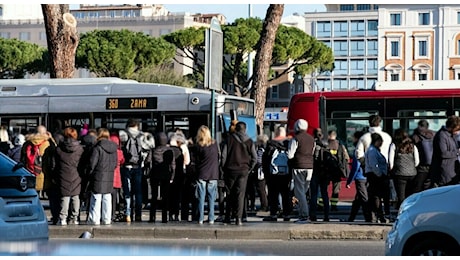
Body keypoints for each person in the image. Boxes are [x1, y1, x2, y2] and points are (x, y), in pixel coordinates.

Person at [355, 115, 393, 217]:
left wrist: (365, 164)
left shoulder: (364, 137)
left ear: (369, 123)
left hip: (371, 171)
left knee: (374, 194)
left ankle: (376, 214)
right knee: (385, 194)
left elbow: (358, 154)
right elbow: (391, 154)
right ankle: (386, 213)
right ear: (380, 123)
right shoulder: (387, 137)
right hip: (385, 169)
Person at [221, 121, 257, 226]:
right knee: (240, 195)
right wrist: (249, 168)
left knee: (229, 193)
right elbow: (254, 158)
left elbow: (223, 156)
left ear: (236, 129)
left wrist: (223, 168)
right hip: (243, 170)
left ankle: (227, 216)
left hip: (230, 170)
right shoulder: (249, 141)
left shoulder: (229, 139)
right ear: (245, 129)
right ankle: (239, 218)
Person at [52, 127, 84, 226]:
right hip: (76, 175)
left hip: (63, 174)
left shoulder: (59, 149)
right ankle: (74, 218)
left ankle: (62, 218)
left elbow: (53, 165)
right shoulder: (80, 149)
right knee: (75, 197)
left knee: (64, 197)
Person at [86, 128, 118, 225]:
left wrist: (90, 173)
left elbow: (92, 163)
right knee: (107, 198)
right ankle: (107, 219)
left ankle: (94, 219)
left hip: (98, 175)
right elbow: (115, 164)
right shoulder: (114, 148)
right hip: (109, 175)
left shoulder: (97, 147)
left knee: (96, 198)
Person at [287, 119, 315, 223]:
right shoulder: (312, 139)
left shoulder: (296, 138)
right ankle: (305, 212)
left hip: (298, 166)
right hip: (310, 167)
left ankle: (304, 215)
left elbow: (290, 155)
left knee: (299, 192)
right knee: (305, 190)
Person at [262, 126, 292, 222]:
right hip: (286, 174)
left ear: (276, 133)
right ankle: (286, 214)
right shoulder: (288, 143)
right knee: (286, 194)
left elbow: (265, 160)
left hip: (273, 175)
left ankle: (274, 214)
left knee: (273, 194)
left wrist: (266, 174)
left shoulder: (270, 144)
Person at [120, 118, 145, 222]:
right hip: (138, 167)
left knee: (127, 192)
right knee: (138, 192)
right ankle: (138, 214)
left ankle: (128, 214)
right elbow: (146, 151)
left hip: (126, 167)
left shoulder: (123, 134)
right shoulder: (142, 135)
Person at [194, 125, 220, 224]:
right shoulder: (214, 144)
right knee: (211, 198)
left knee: (201, 198)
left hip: (202, 174)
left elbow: (197, 161)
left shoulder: (199, 146)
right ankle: (211, 218)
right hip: (213, 174)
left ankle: (200, 218)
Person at [389, 128, 419, 210]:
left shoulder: (394, 145)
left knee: (401, 196)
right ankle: (410, 211)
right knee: (409, 195)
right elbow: (417, 161)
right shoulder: (412, 145)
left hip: (399, 174)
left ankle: (401, 212)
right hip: (412, 174)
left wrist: (391, 170)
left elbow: (390, 162)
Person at [149, 132, 175, 223]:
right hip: (166, 175)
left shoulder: (153, 150)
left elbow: (148, 162)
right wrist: (172, 176)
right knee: (165, 196)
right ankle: (164, 217)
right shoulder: (170, 151)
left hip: (155, 174)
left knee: (154, 196)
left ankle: (152, 217)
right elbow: (173, 165)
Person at [21, 125, 55, 198]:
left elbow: (22, 159)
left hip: (30, 173)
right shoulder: (47, 144)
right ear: (45, 133)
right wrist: (51, 138)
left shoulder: (27, 144)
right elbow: (55, 153)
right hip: (44, 174)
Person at [345, 130, 370, 222]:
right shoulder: (368, 149)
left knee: (363, 198)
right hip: (366, 176)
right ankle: (351, 218)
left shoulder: (358, 150)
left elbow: (355, 167)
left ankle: (369, 218)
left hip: (360, 177)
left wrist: (349, 181)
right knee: (358, 200)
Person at [364, 133, 389, 223]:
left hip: (376, 176)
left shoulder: (375, 150)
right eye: (380, 141)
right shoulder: (372, 151)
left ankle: (375, 215)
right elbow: (374, 165)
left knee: (375, 196)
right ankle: (376, 215)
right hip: (375, 176)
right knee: (376, 197)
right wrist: (380, 174)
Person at [430, 115, 460, 187]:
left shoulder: (451, 135)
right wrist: (457, 152)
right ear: (452, 127)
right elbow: (443, 153)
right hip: (445, 171)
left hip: (452, 170)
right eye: (457, 129)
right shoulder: (442, 135)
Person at [309, 127, 330, 222]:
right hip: (325, 172)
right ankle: (326, 215)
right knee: (324, 194)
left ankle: (313, 215)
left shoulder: (312, 145)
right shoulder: (326, 144)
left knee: (314, 194)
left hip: (315, 171)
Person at [325, 130, 349, 212]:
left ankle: (322, 205)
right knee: (336, 190)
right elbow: (347, 158)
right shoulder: (340, 145)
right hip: (337, 170)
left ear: (329, 136)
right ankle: (334, 206)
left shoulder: (325, 145)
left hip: (326, 170)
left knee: (324, 188)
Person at [411, 119, 435, 192]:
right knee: (429, 187)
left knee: (418, 187)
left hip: (421, 166)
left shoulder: (415, 137)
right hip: (433, 165)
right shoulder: (434, 135)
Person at [168, 133, 185, 221]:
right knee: (177, 197)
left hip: (170, 176)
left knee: (170, 196)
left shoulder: (168, 150)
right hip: (179, 176)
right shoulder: (180, 151)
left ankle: (170, 214)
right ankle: (177, 215)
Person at [110, 132, 125, 222]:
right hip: (116, 178)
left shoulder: (107, 151)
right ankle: (112, 214)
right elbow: (123, 161)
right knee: (114, 198)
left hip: (108, 177)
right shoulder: (119, 152)